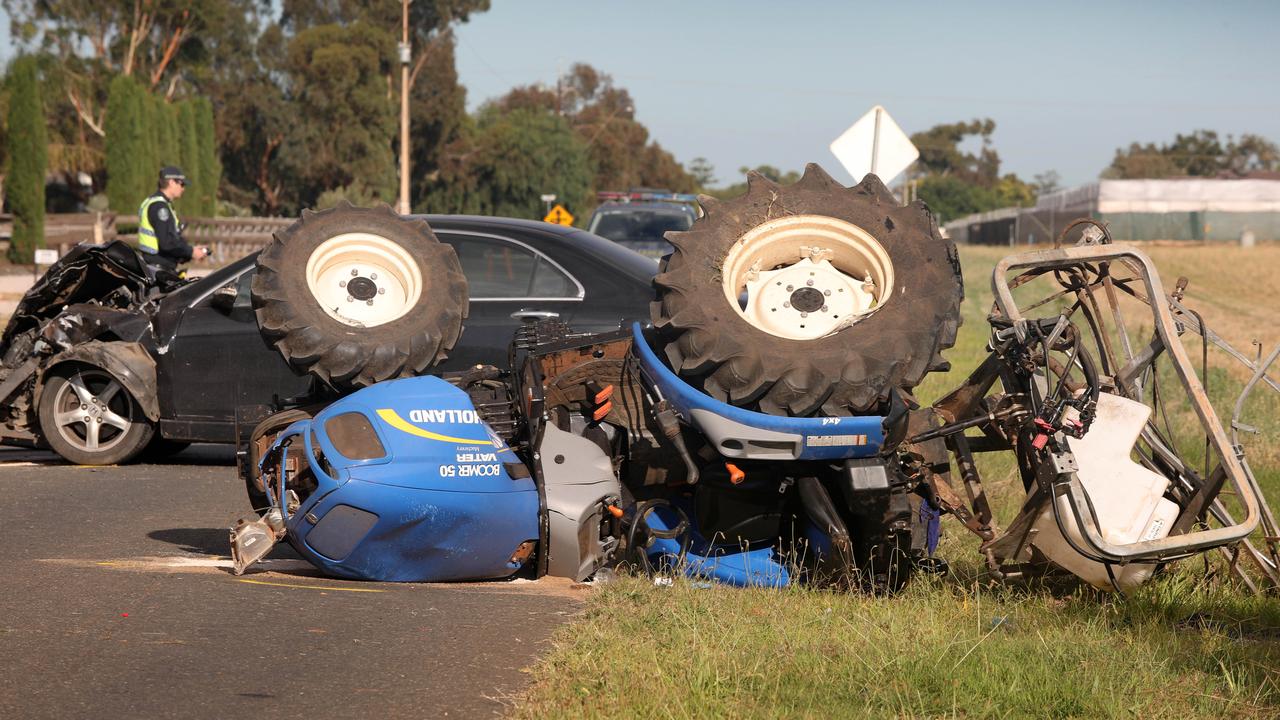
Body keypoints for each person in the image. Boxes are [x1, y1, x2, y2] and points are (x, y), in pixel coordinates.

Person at [138, 166, 208, 273]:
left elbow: (171, 239)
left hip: (155, 266)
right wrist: (191, 252)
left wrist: (190, 251)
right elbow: (167, 243)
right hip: (159, 270)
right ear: (171, 182)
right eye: (181, 184)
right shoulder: (160, 207)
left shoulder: (156, 202)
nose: (183, 188)